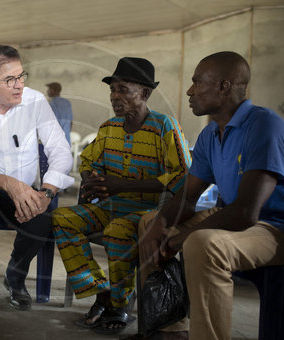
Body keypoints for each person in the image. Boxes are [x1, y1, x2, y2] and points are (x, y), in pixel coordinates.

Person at [138, 51, 284, 340]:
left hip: (278, 229)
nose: (190, 91)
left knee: (203, 243)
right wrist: (160, 224)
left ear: (224, 86)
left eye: (196, 83)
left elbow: (246, 211)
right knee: (149, 224)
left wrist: (179, 239)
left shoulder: (263, 126)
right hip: (236, 219)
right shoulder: (211, 135)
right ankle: (168, 331)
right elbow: (188, 197)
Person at [51, 57, 191, 335]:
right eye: (113, 90)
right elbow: (88, 160)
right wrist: (91, 178)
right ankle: (101, 292)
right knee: (63, 218)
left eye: (123, 89)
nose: (115, 96)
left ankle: (120, 304)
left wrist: (121, 185)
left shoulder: (165, 127)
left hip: (146, 213)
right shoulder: (108, 128)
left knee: (117, 231)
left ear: (145, 93)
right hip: (109, 206)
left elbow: (182, 176)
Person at [0, 44, 73, 339]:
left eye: (22, 76)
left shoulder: (35, 102)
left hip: (24, 192)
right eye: (10, 79)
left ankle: (15, 277)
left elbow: (61, 151)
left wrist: (45, 193)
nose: (20, 84)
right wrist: (7, 182)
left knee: (44, 218)